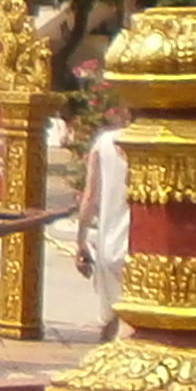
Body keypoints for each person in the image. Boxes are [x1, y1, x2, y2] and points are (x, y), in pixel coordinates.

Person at [69, 91, 129, 336]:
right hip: (144, 244)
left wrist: (81, 241)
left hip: (109, 241)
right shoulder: (158, 143)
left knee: (109, 316)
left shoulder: (104, 143)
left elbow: (89, 197)